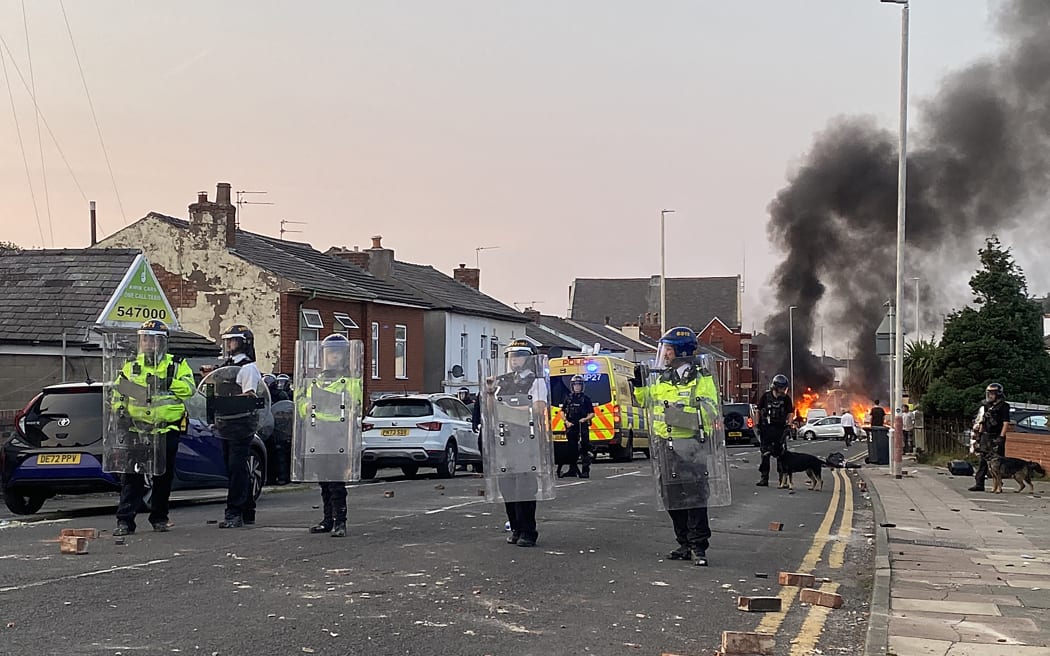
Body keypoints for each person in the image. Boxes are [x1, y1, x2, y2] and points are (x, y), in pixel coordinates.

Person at [641, 327, 723, 567]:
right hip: (664, 446)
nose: (664, 354)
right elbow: (646, 401)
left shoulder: (702, 378)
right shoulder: (663, 377)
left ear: (682, 351)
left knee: (695, 496)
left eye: (668, 349)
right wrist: (638, 385)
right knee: (671, 496)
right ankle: (684, 542)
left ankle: (698, 545)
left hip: (690, 446)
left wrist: (678, 416)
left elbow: (710, 411)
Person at [111, 320, 195, 536]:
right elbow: (119, 393)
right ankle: (125, 521)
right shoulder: (131, 365)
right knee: (132, 478)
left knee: (162, 479)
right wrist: (120, 412)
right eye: (144, 338)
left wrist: (168, 382)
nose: (148, 343)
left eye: (152, 339)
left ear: (162, 342)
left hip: (166, 430)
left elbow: (189, 390)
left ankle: (159, 518)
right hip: (137, 430)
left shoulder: (176, 364)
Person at [482, 340, 550, 548]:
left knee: (525, 487)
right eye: (511, 356)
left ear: (528, 359)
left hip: (525, 438)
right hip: (504, 438)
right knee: (507, 487)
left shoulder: (535, 381)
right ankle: (515, 527)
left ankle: (529, 531)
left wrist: (508, 412)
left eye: (519, 355)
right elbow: (491, 410)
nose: (514, 360)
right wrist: (490, 393)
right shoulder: (502, 381)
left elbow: (537, 409)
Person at [301, 334, 362, 538]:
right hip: (317, 433)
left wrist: (332, 402)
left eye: (337, 354)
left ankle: (340, 521)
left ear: (345, 357)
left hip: (337, 434)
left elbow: (354, 405)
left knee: (336, 480)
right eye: (329, 353)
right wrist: (306, 407)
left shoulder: (350, 381)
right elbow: (302, 404)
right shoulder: (316, 380)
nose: (332, 357)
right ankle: (328, 519)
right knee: (324, 481)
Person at [216, 324, 263, 529]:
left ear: (244, 343)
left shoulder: (247, 367)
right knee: (235, 468)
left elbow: (249, 395)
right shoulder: (227, 365)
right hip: (227, 423)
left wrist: (229, 399)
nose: (229, 344)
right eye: (227, 340)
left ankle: (234, 512)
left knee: (237, 468)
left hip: (241, 423)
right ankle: (247, 509)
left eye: (233, 340)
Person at [969, 383, 1011, 493]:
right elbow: (983, 421)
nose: (990, 395)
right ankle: (979, 483)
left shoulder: (1004, 406)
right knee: (983, 460)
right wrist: (980, 434)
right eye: (989, 393)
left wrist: (1001, 437)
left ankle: (999, 484)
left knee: (998, 461)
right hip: (986, 435)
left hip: (996, 435)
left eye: (992, 393)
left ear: (998, 394)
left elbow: (1006, 422)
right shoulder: (987, 405)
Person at [756, 374, 794, 487]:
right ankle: (764, 478)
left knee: (781, 456)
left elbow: (790, 413)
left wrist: (789, 425)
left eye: (785, 388)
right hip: (767, 429)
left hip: (780, 429)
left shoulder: (786, 399)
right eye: (782, 388)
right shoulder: (766, 396)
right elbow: (758, 410)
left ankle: (782, 480)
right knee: (765, 455)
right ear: (776, 387)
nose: (784, 390)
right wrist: (757, 424)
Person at [558, 374, 595, 478]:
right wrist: (566, 421)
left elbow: (592, 413)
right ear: (572, 386)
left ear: (582, 386)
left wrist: (585, 419)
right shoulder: (568, 398)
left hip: (582, 427)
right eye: (575, 385)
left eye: (579, 385)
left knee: (584, 449)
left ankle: (585, 471)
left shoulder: (586, 399)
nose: (577, 387)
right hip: (571, 427)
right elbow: (562, 411)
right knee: (571, 449)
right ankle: (572, 470)